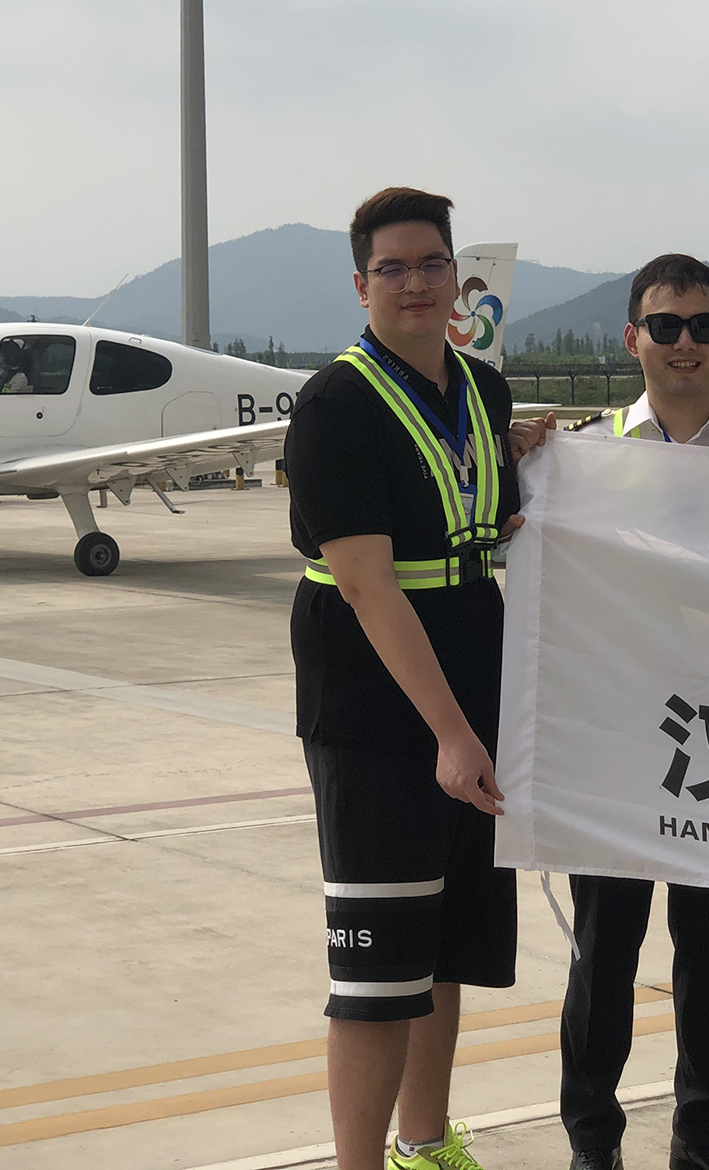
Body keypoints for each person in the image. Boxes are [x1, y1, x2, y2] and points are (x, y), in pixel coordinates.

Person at [513, 253, 709, 1170]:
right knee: (605, 952)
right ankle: (592, 1140)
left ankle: (705, 1138)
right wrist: (513, 465)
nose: (686, 343)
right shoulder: (575, 455)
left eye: (703, 326)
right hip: (614, 742)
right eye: (666, 326)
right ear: (632, 337)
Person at [284, 188, 522, 1170]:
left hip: (475, 678)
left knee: (443, 948)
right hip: (378, 709)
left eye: (432, 264)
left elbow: (490, 518)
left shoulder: (483, 390)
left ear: (455, 276)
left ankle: (424, 1145)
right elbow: (368, 586)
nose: (416, 283)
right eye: (393, 268)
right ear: (361, 285)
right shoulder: (335, 407)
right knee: (378, 972)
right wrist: (449, 735)